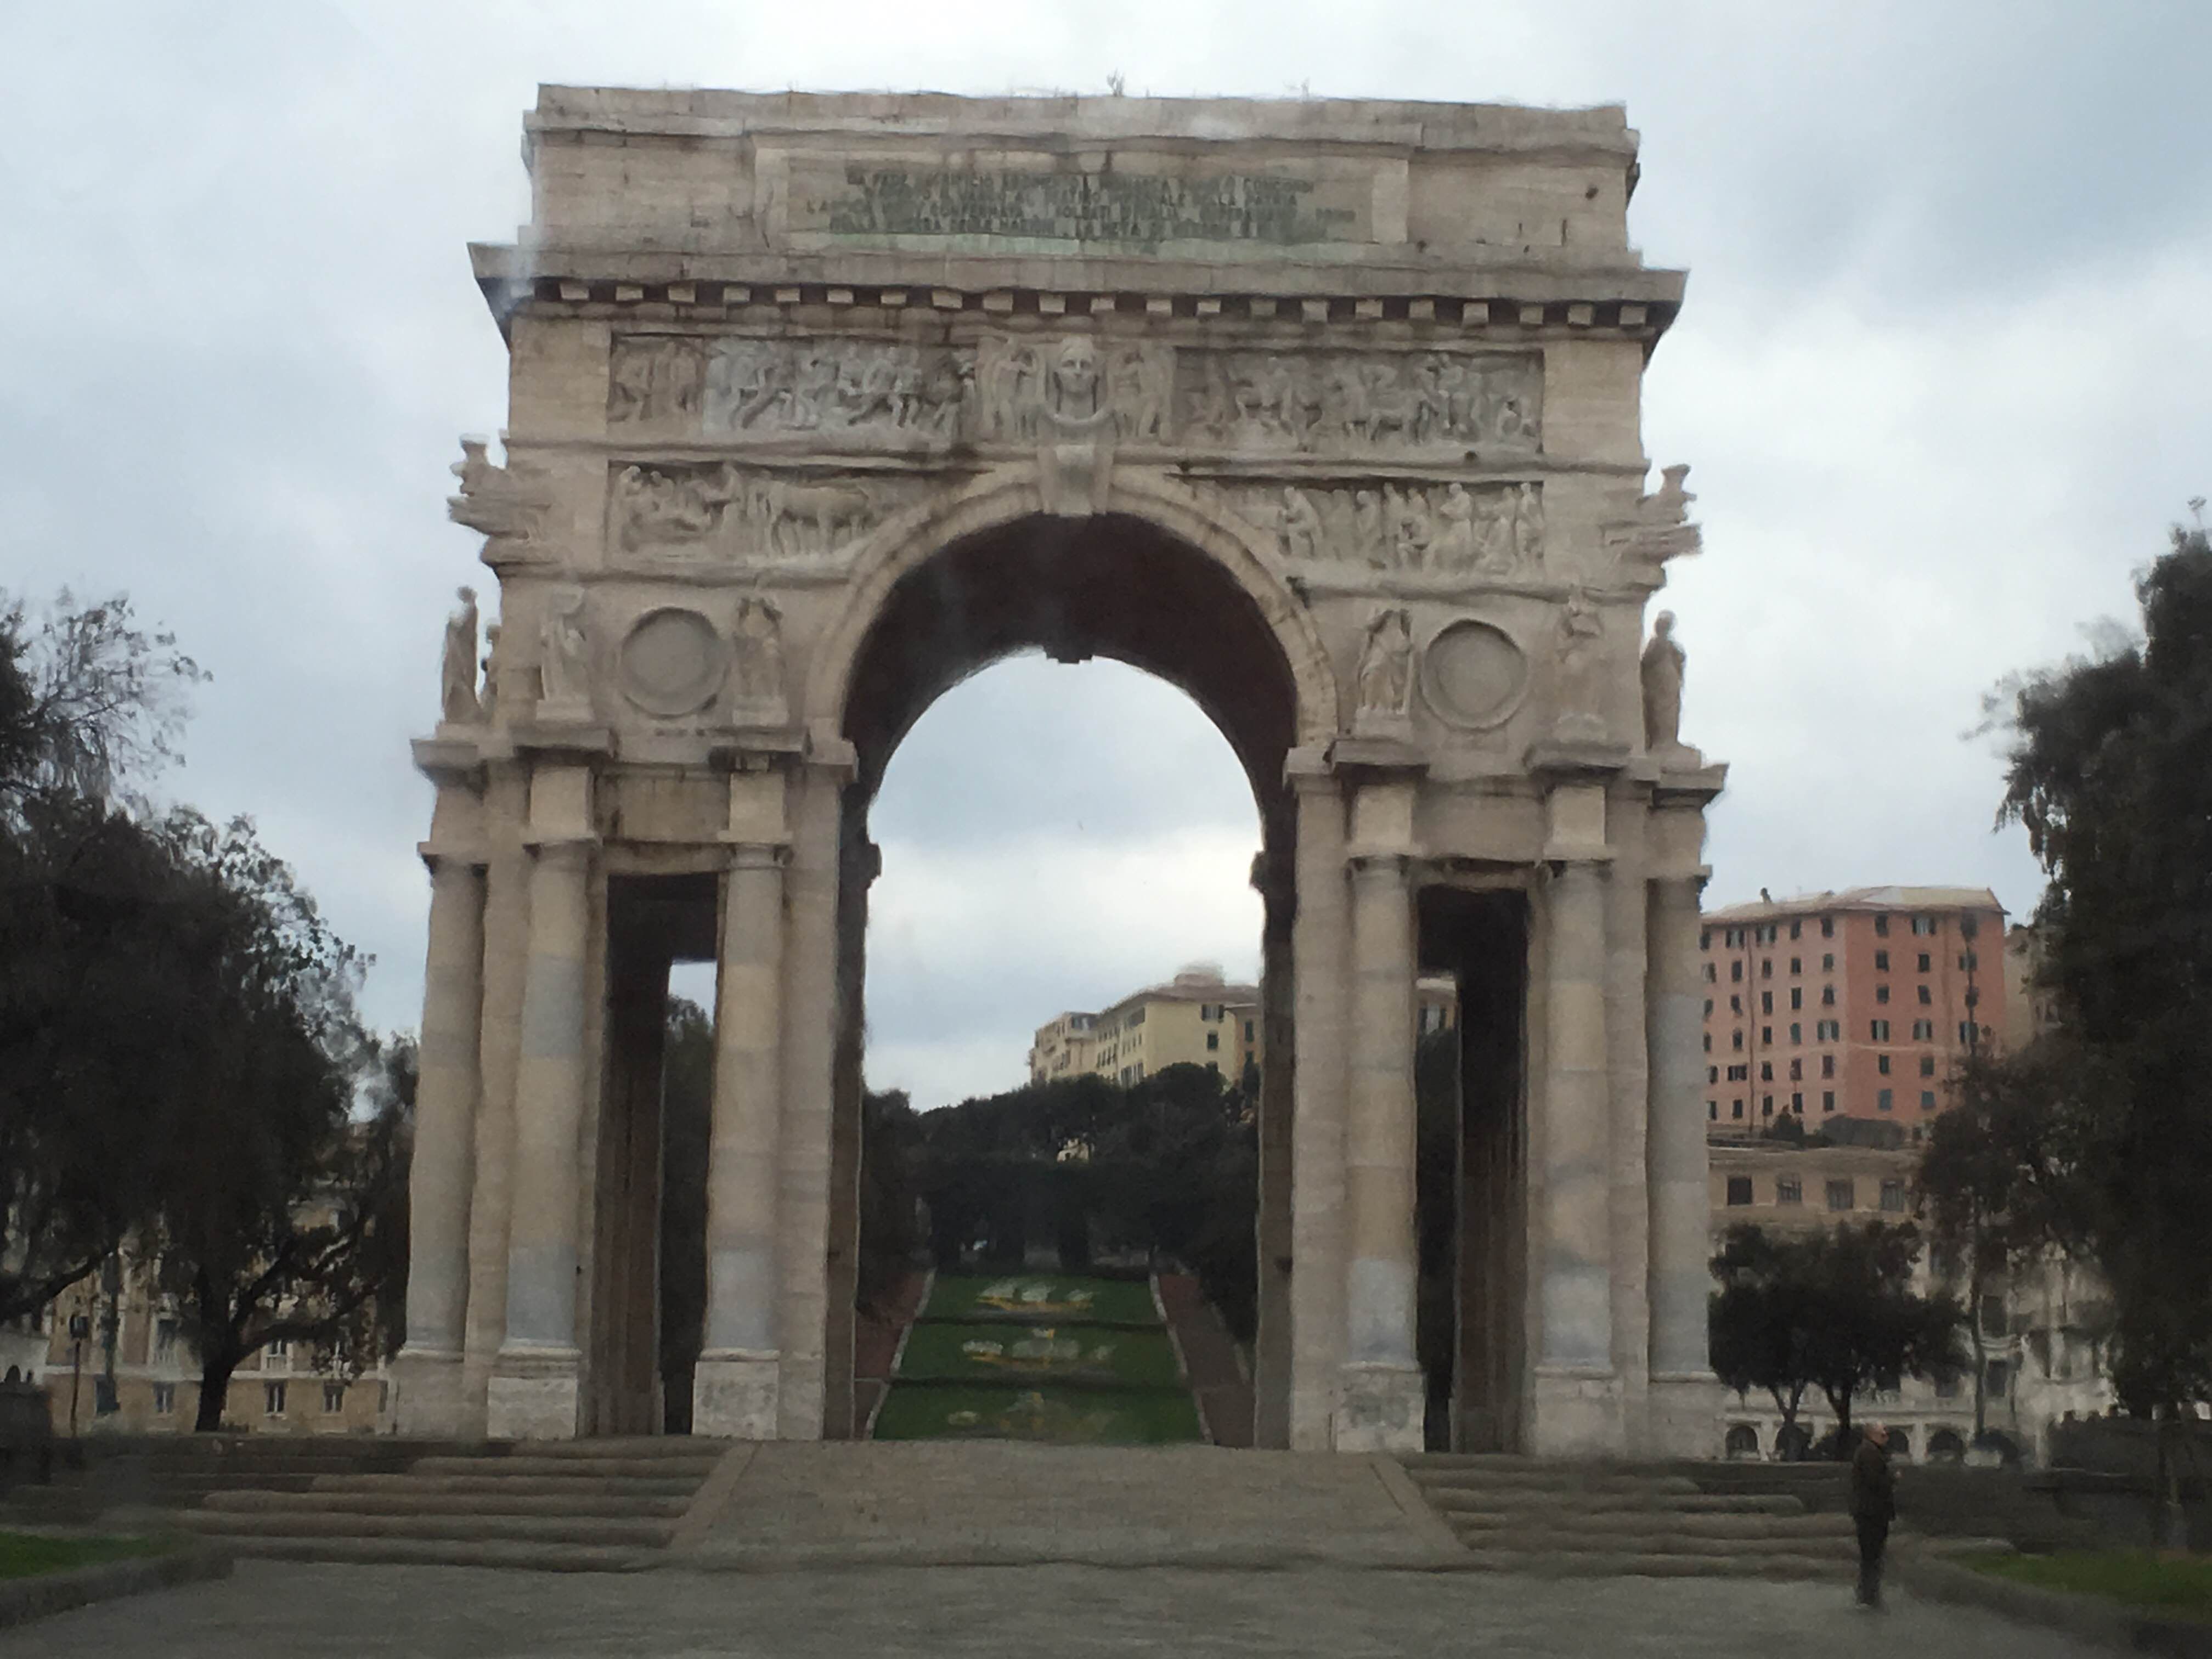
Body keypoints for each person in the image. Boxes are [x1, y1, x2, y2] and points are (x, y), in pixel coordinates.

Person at [1849, 1421, 1897, 1609]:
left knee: (1871, 1555)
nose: (1887, 1438)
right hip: (1872, 1512)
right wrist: (1893, 1478)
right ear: (1873, 1435)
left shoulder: (1868, 1451)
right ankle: (1869, 1595)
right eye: (1883, 1435)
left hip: (1869, 1511)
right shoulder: (1870, 1453)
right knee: (1872, 1554)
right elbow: (1875, 1480)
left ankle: (1868, 1593)